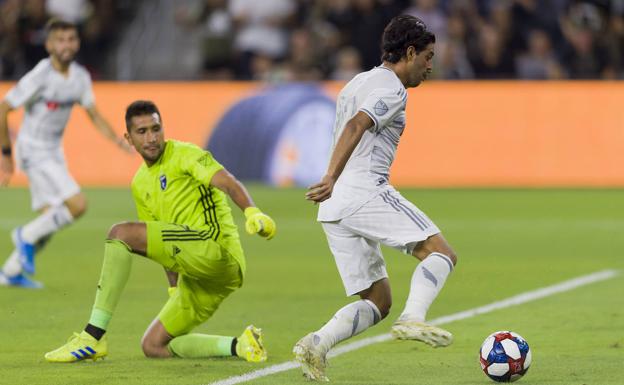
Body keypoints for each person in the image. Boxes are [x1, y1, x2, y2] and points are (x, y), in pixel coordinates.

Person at [44, 100, 276, 363]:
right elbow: (161, 241)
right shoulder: (139, 183)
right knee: (154, 345)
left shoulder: (185, 154)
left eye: (156, 129)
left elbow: (228, 182)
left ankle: (92, 336)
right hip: (203, 275)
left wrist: (252, 212)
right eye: (142, 132)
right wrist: (174, 289)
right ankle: (241, 345)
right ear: (128, 138)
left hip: (215, 249)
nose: (152, 138)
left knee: (119, 233)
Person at [293, 15, 458, 381]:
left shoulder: (358, 81)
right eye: (428, 57)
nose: (431, 66)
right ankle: (413, 319)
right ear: (410, 52)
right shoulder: (392, 89)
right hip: (361, 190)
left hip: (333, 208)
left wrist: (332, 185)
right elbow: (356, 126)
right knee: (441, 253)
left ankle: (316, 343)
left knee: (378, 299)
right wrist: (331, 177)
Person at [0, 19, 132, 288]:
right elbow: (4, 108)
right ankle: (23, 235)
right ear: (49, 44)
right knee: (77, 205)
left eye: (71, 39)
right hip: (33, 150)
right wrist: (5, 153)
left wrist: (118, 140)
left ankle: (10, 272)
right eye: (60, 40)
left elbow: (94, 114)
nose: (66, 45)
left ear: (77, 43)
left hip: (53, 152)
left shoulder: (80, 77)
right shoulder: (41, 75)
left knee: (52, 219)